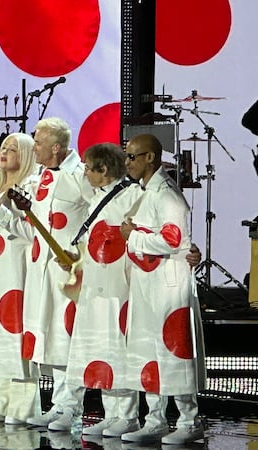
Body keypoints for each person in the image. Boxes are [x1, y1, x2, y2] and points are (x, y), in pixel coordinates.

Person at [119, 134, 206, 445]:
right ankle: (154, 418)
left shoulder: (167, 195)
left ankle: (189, 419)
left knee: (173, 351)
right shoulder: (143, 193)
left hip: (168, 285)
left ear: (150, 158)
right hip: (146, 284)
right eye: (126, 156)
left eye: (132, 156)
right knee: (147, 350)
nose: (127, 162)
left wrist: (133, 236)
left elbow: (173, 240)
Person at [5, 117, 91, 432]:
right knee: (50, 339)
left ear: (55, 147)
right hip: (39, 272)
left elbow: (99, 218)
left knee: (66, 338)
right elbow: (34, 229)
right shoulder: (40, 179)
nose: (34, 147)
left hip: (67, 274)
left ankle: (72, 409)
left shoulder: (80, 176)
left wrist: (81, 255)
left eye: (38, 142)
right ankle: (58, 405)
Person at [62, 143, 142, 438]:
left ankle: (128, 415)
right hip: (96, 286)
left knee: (117, 345)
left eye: (87, 168)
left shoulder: (131, 196)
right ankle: (111, 413)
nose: (84, 173)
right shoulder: (98, 197)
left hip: (117, 287)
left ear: (103, 170)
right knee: (101, 347)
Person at [0, 132, 42, 425]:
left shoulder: (28, 188)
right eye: (3, 148)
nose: (3, 153)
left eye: (12, 149)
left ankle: (23, 406)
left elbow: (32, 231)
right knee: (0, 332)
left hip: (18, 268)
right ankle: (2, 400)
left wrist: (0, 211)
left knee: (16, 329)